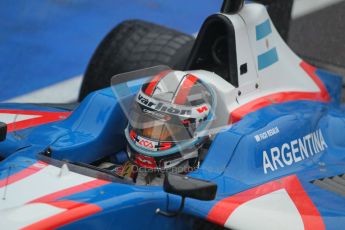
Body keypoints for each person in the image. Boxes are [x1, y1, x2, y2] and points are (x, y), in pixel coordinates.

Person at [109, 70, 214, 185]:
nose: (150, 134)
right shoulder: (121, 167)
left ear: (197, 129)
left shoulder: (207, 176)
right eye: (145, 124)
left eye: (166, 130)